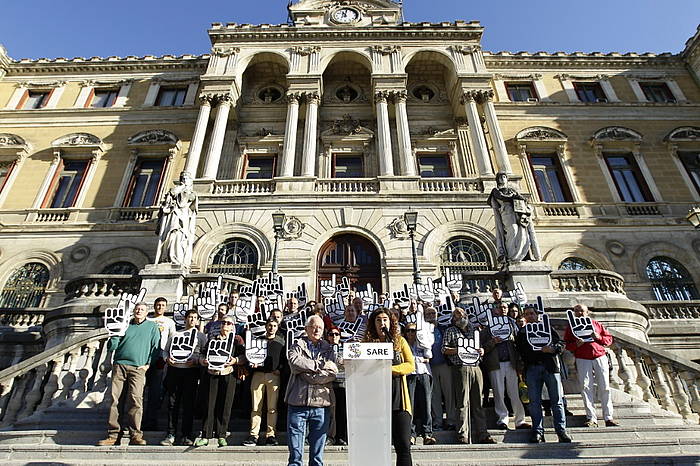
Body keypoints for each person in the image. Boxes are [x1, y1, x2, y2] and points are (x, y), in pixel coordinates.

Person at [98, 302, 161, 446]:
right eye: (137, 309)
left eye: (142, 309)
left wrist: (147, 365)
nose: (139, 311)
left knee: (136, 400)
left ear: (147, 313)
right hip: (120, 365)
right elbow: (112, 346)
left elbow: (156, 348)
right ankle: (113, 434)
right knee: (115, 399)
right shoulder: (124, 324)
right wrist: (114, 334)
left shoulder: (152, 327)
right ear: (133, 311)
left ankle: (135, 434)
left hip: (138, 368)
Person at [364, 309, 415, 466]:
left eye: (385, 319)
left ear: (391, 322)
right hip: (375, 400)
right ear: (373, 323)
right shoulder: (366, 344)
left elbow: (410, 365)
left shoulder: (399, 341)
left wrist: (390, 370)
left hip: (398, 399)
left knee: (404, 445)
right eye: (378, 320)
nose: (382, 323)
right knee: (378, 447)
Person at [285, 315, 337, 466]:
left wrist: (308, 373)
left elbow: (332, 372)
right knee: (295, 456)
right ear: (307, 329)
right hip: (298, 402)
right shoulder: (297, 345)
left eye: (320, 327)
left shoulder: (329, 349)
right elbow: (295, 363)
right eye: (313, 326)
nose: (316, 330)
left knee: (317, 457)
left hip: (321, 404)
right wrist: (319, 365)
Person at [515, 306, 572, 443]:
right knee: (534, 402)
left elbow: (561, 343)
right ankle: (538, 431)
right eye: (527, 314)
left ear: (537, 315)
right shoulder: (522, 332)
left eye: (532, 314)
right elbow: (520, 350)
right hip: (532, 368)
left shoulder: (547, 328)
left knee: (557, 400)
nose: (530, 316)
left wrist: (552, 349)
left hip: (550, 367)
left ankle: (561, 431)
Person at [442, 307, 495, 445]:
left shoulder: (475, 331)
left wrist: (482, 350)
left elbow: (481, 346)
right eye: (455, 316)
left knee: (478, 402)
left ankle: (483, 433)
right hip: (461, 367)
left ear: (465, 315)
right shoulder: (450, 331)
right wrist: (458, 350)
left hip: (476, 367)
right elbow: (444, 349)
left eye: (460, 314)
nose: (458, 317)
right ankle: (462, 434)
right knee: (462, 402)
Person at [564, 303, 618, 427]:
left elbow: (608, 339)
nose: (579, 313)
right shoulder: (571, 327)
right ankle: (591, 417)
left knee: (605, 386)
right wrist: (576, 345)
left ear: (587, 312)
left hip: (599, 356)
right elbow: (567, 343)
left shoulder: (596, 324)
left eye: (581, 311)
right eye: (576, 311)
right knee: (585, 387)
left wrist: (598, 337)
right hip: (582, 358)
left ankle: (608, 417)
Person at [196, 316, 246, 447]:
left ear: (232, 326)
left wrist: (235, 360)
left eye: (229, 323)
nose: (225, 325)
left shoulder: (237, 340)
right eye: (223, 322)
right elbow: (202, 354)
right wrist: (203, 361)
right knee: (209, 404)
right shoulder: (212, 339)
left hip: (228, 374)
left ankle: (221, 434)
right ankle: (206, 434)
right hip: (212, 374)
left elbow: (243, 356)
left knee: (225, 405)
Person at [161, 309, 207, 446]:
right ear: (185, 319)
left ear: (198, 320)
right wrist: (167, 360)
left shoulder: (201, 336)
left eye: (194, 317)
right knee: (172, 404)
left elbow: (205, 353)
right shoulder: (175, 334)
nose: (192, 320)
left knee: (188, 405)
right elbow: (166, 350)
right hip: (174, 370)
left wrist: (196, 361)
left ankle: (187, 434)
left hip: (191, 372)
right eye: (190, 317)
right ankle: (171, 433)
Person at [483, 302, 530, 430]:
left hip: (511, 363)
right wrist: (493, 341)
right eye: (499, 307)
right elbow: (482, 347)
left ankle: (520, 420)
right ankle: (502, 419)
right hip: (495, 363)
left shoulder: (512, 325)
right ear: (495, 310)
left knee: (514, 392)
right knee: (498, 392)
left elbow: (518, 343)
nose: (502, 309)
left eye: (504, 307)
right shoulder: (488, 328)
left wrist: (519, 362)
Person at [244, 318, 286, 447]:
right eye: (269, 325)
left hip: (273, 376)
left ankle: (271, 435)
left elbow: (284, 360)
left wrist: (279, 370)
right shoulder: (258, 340)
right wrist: (251, 365)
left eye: (274, 326)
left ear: (277, 327)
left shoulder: (281, 343)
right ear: (265, 326)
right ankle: (253, 435)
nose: (271, 328)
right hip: (258, 375)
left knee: (272, 408)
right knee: (256, 407)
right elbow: (250, 356)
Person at [487, 171, 541, 264]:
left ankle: (522, 255)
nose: (502, 179)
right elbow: (501, 197)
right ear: (497, 180)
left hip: (517, 212)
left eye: (504, 177)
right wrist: (513, 196)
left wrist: (517, 197)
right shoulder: (496, 190)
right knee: (513, 230)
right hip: (506, 212)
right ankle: (512, 256)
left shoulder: (512, 190)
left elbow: (522, 198)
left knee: (523, 233)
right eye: (500, 177)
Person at [144, 296, 176, 430]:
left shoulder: (169, 322)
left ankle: (151, 421)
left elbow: (173, 340)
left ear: (166, 307)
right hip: (144, 357)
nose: (160, 307)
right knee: (140, 391)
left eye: (163, 305)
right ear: (154, 306)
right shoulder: (147, 320)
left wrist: (168, 357)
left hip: (160, 359)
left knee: (156, 391)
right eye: (158, 305)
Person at [154, 170, 198, 267]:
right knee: (171, 236)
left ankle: (176, 258)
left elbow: (185, 200)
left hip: (183, 218)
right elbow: (172, 194)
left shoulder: (192, 194)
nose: (184, 180)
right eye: (183, 178)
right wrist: (181, 187)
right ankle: (168, 258)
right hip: (173, 216)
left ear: (191, 181)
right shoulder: (175, 190)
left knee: (180, 237)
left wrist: (184, 188)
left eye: (187, 178)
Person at [404, 323, 436, 445]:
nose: (411, 333)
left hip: (423, 373)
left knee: (426, 405)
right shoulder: (404, 345)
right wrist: (418, 359)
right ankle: (411, 434)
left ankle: (427, 433)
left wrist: (418, 359)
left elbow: (429, 357)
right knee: (410, 405)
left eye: (413, 331)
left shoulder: (423, 342)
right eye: (408, 331)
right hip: (409, 374)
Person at [427, 306, 457, 432]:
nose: (430, 315)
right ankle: (437, 421)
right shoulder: (422, 329)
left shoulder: (444, 327)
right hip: (430, 365)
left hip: (445, 364)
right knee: (435, 395)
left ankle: (451, 420)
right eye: (427, 313)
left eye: (433, 313)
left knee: (449, 393)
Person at [325, 325, 347, 446]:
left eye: (336, 334)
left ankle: (342, 436)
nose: (334, 336)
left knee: (342, 412)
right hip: (328, 383)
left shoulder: (346, 349)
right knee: (331, 412)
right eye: (331, 334)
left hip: (343, 383)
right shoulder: (324, 348)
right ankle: (330, 436)